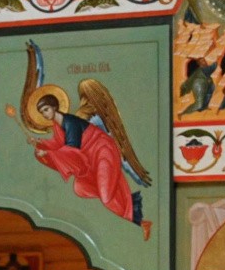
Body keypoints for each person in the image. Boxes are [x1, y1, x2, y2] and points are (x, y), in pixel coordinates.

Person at [32, 93, 146, 231]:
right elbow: (58, 143)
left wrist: (48, 153)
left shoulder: (70, 122)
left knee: (106, 196)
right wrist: (41, 143)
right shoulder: (58, 125)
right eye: (42, 112)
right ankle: (137, 215)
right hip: (91, 159)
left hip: (103, 152)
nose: (44, 114)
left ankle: (138, 219)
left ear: (54, 107)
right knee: (81, 188)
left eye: (46, 109)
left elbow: (71, 150)